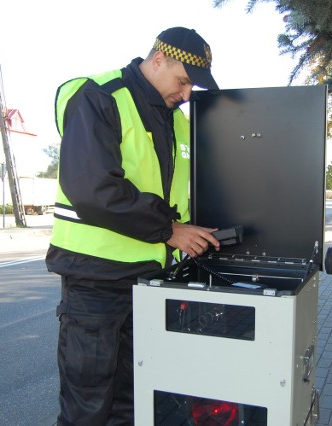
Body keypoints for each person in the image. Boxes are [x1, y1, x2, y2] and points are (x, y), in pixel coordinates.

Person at [46, 27, 221, 425]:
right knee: (87, 406)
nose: (187, 94)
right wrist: (171, 230)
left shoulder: (176, 122)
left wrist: (199, 229)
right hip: (95, 282)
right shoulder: (99, 97)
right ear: (158, 59)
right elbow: (93, 189)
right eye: (183, 81)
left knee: (133, 401)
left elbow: (174, 196)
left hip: (148, 281)